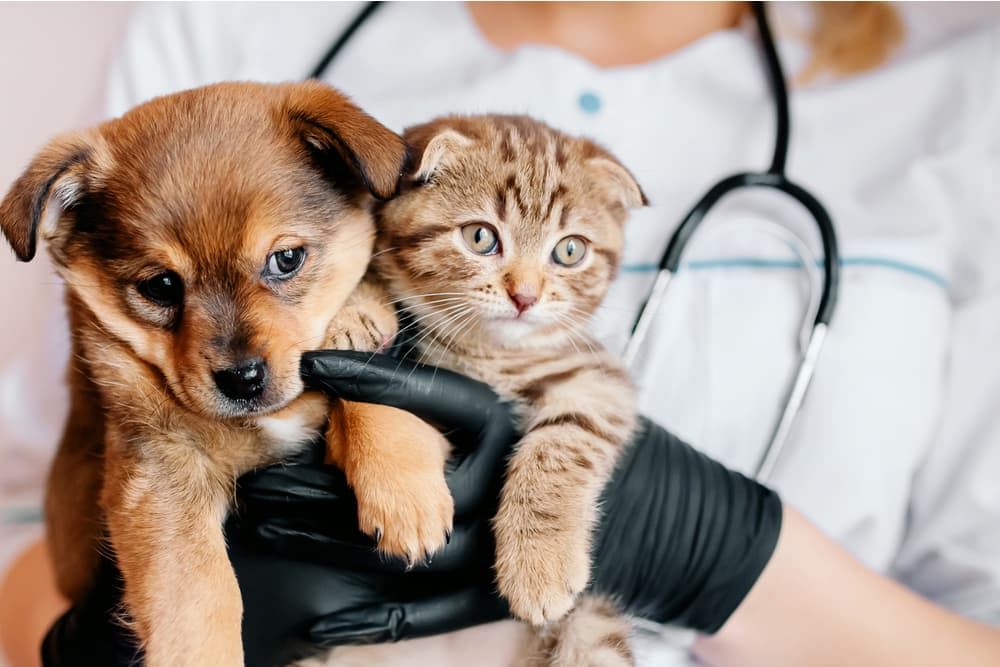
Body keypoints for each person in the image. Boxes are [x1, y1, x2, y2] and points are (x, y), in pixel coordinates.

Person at [2, 2, 999, 666]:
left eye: (284, 263)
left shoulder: (955, 89)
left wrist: (716, 552)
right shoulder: (229, 26)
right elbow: (25, 518)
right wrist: (102, 639)